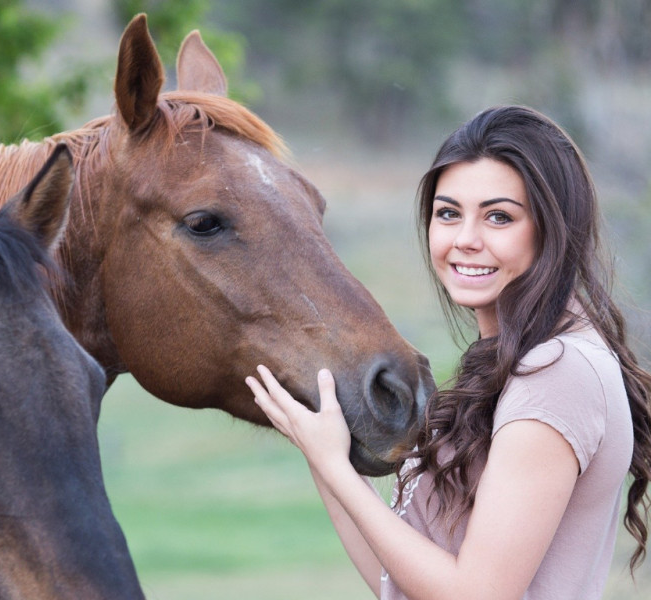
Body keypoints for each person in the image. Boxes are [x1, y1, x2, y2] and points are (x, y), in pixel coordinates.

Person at [246, 105, 651, 599]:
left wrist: (335, 467)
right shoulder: (516, 361)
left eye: (499, 217)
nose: (465, 240)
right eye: (448, 213)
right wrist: (323, 456)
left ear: (553, 227)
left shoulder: (558, 372)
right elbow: (396, 579)